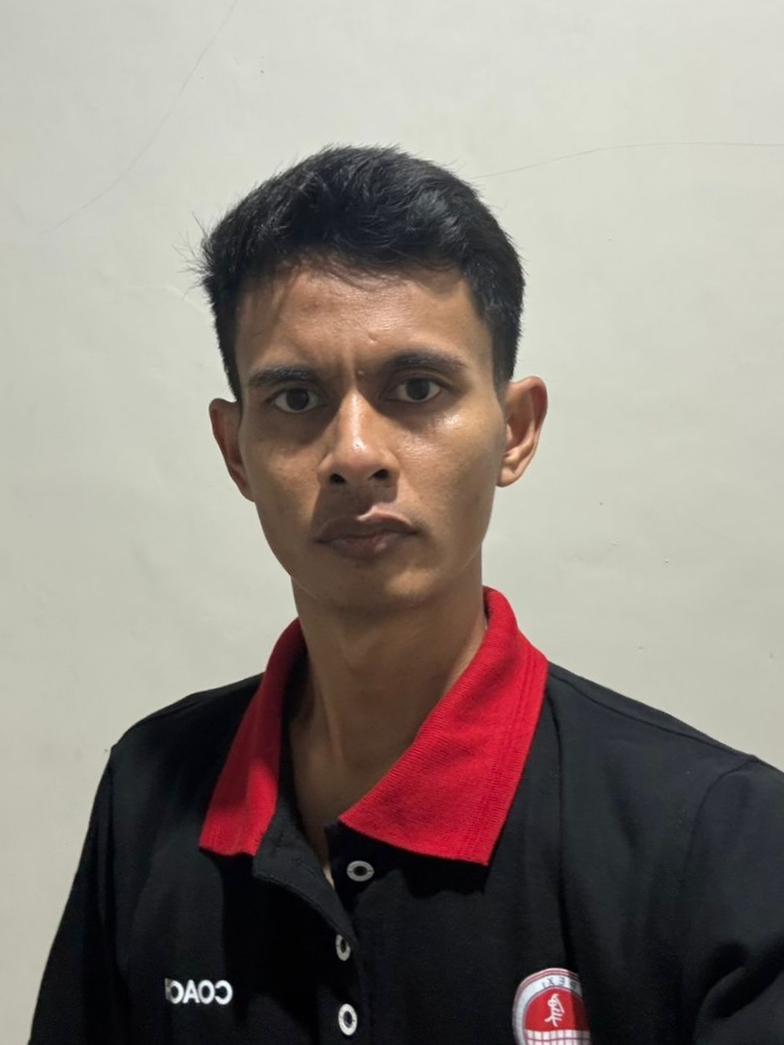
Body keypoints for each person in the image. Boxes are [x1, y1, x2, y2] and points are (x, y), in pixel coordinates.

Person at [29, 146, 784, 1045]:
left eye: (417, 389)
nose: (355, 453)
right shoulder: (148, 792)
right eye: (296, 397)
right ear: (236, 453)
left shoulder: (720, 836)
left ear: (515, 430)